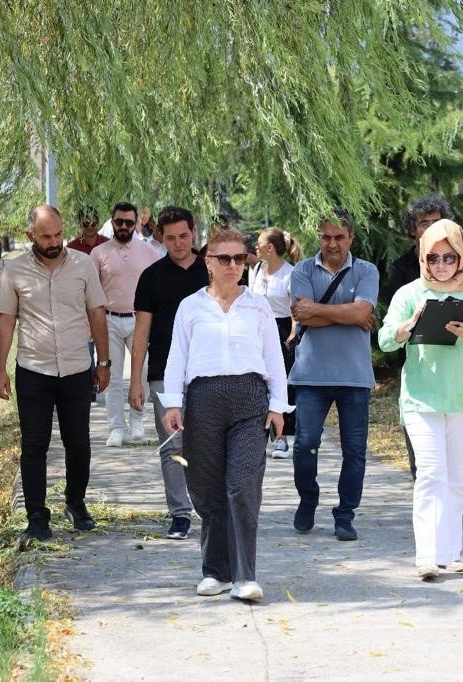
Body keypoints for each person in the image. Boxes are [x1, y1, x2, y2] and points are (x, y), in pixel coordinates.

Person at [159, 229, 290, 602]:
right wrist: (173, 403)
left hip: (250, 401)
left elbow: (273, 360)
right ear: (209, 263)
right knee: (206, 487)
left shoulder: (258, 306)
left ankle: (246, 576)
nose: (233, 265)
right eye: (224, 259)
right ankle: (216, 570)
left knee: (242, 485)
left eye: (240, 258)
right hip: (203, 400)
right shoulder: (191, 307)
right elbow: (176, 358)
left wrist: (277, 406)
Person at [378, 219, 463, 580]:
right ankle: (427, 557)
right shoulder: (409, 293)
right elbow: (386, 339)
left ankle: (451, 554)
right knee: (430, 475)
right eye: (433, 258)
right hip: (421, 399)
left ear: (462, 256)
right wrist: (410, 325)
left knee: (455, 477)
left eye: (449, 257)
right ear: (423, 256)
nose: (441, 265)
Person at [0, 205, 110, 547]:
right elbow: (5, 321)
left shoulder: (83, 265)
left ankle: (75, 503)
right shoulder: (14, 271)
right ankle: (36, 519)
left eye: (58, 234)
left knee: (78, 443)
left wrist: (104, 362)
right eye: (46, 236)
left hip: (76, 367)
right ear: (31, 236)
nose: (54, 241)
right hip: (33, 370)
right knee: (34, 446)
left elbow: (96, 312)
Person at [382, 195, 463, 530]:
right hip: (420, 367)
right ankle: (429, 504)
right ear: (412, 230)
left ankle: (456, 504)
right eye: (423, 223)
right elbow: (393, 326)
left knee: (456, 446)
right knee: (422, 446)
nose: (430, 229)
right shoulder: (402, 271)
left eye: (436, 221)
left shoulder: (461, 263)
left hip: (458, 365)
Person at [289, 207, 378, 542]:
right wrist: (349, 315)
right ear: (318, 236)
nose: (332, 243)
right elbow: (303, 316)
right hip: (311, 375)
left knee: (354, 451)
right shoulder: (301, 271)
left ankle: (345, 515)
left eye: (340, 237)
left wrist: (320, 311)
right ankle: (308, 497)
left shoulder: (367, 271)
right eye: (326, 236)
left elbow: (362, 310)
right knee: (304, 445)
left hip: (354, 376)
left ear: (350, 238)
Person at [129, 206, 208, 540]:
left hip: (208, 371)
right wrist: (135, 380)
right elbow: (141, 333)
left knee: (207, 445)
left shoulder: (212, 271)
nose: (178, 244)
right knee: (172, 446)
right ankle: (180, 513)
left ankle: (211, 508)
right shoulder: (151, 277)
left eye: (184, 236)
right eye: (171, 237)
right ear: (160, 236)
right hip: (164, 373)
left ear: (194, 233)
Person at [91, 201, 161, 446]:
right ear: (112, 221)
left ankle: (138, 419)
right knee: (110, 374)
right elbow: (90, 292)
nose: (123, 226)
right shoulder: (98, 253)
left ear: (136, 224)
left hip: (139, 320)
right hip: (108, 320)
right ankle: (116, 428)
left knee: (142, 372)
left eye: (129, 222)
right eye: (119, 222)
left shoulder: (149, 252)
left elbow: (159, 287)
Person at [252, 227, 302, 458]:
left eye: (259, 243)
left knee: (279, 385)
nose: (255, 247)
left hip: (281, 330)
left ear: (270, 248)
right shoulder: (257, 269)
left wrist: (292, 335)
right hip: (256, 329)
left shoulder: (290, 274)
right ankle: (257, 435)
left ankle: (281, 438)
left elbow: (294, 309)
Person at [68, 206, 110, 403]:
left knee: (104, 348)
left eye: (94, 223)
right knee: (86, 350)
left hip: (106, 306)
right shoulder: (71, 248)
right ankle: (89, 391)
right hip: (81, 308)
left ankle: (104, 386)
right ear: (80, 225)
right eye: (86, 224)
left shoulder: (107, 245)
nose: (90, 227)